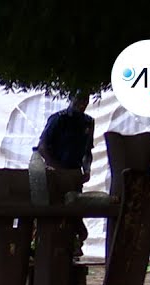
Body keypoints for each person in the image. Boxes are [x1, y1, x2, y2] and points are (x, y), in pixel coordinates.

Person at [36, 91, 95, 250]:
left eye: (85, 99)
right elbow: (42, 147)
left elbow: (87, 151)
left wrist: (87, 170)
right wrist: (57, 168)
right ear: (71, 99)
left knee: (75, 211)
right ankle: (56, 247)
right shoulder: (59, 119)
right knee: (59, 212)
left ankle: (73, 246)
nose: (82, 103)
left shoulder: (88, 122)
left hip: (75, 174)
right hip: (56, 174)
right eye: (79, 99)